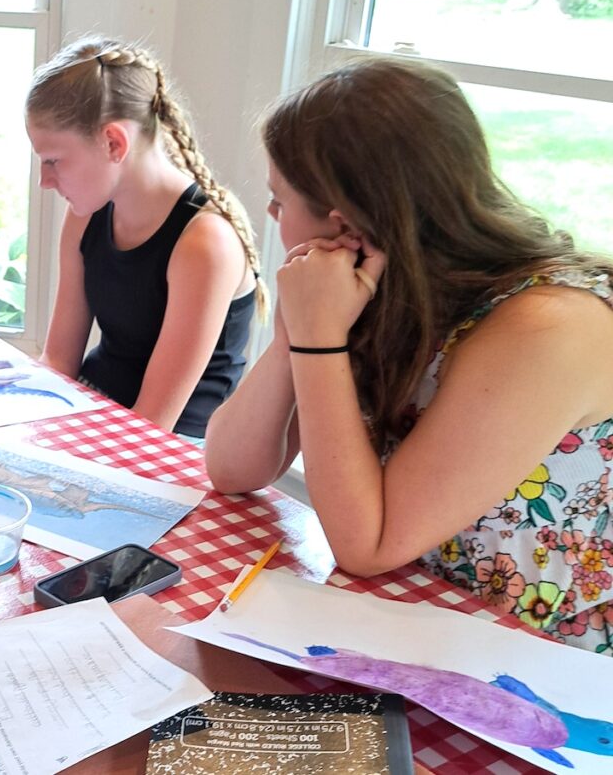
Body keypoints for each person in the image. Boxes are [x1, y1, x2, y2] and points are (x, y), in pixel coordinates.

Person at [206, 56, 613, 654]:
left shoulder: (547, 327)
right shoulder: (381, 286)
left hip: (545, 663)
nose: (272, 217)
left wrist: (320, 339)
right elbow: (232, 468)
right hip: (419, 618)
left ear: (344, 226)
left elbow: (368, 545)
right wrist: (298, 328)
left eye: (278, 199)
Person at [25, 36, 266, 441]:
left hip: (179, 448)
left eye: (53, 161)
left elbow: (153, 423)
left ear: (114, 142)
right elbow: (59, 361)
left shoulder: (204, 243)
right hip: (100, 412)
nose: (44, 181)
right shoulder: (85, 216)